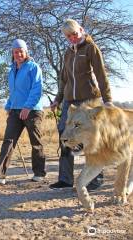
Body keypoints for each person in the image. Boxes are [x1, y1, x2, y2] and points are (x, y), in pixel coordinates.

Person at [49, 19, 113, 190]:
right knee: (65, 134)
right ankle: (65, 179)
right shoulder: (68, 53)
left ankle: (95, 179)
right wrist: (58, 99)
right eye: (68, 36)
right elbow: (64, 79)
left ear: (81, 30)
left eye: (74, 34)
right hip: (70, 101)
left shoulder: (91, 48)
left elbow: (101, 76)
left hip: (88, 100)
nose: (72, 38)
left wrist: (108, 101)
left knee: (91, 138)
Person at [0, 39, 46, 184]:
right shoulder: (12, 70)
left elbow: (37, 90)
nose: (18, 54)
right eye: (15, 52)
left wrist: (27, 107)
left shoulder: (33, 67)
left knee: (36, 142)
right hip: (15, 110)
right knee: (8, 141)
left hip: (32, 110)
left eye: (21, 51)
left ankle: (39, 174)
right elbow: (14, 92)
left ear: (26, 52)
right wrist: (9, 106)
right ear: (12, 53)